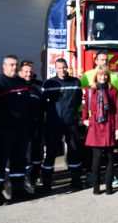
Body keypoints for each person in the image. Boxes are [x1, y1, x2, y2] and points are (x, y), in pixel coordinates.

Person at [0, 55, 34, 204]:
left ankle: (18, 189)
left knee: (19, 160)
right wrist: (0, 126)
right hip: (3, 131)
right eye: (11, 65)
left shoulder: (22, 82)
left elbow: (27, 106)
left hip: (21, 130)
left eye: (15, 65)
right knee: (0, 162)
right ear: (4, 66)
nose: (14, 67)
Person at [40, 58, 84, 192]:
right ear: (55, 68)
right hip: (54, 123)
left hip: (71, 122)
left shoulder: (75, 82)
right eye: (59, 68)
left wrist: (74, 116)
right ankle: (46, 184)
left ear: (67, 67)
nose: (62, 70)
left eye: (64, 67)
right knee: (51, 152)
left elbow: (77, 101)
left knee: (74, 150)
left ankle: (76, 181)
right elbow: (43, 104)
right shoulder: (49, 83)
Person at [82, 67, 118, 195]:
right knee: (97, 158)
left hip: (109, 125)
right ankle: (96, 186)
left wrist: (117, 129)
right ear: (96, 76)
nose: (103, 77)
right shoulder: (90, 90)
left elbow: (116, 112)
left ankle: (109, 186)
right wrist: (84, 119)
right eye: (100, 75)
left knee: (110, 158)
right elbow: (85, 106)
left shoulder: (113, 90)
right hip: (95, 126)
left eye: (105, 75)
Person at [18, 60, 44, 192]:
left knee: (36, 154)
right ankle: (24, 181)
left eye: (30, 72)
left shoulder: (37, 87)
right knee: (25, 155)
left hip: (36, 126)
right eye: (26, 72)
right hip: (21, 127)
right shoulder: (16, 86)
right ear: (20, 73)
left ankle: (33, 179)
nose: (28, 74)